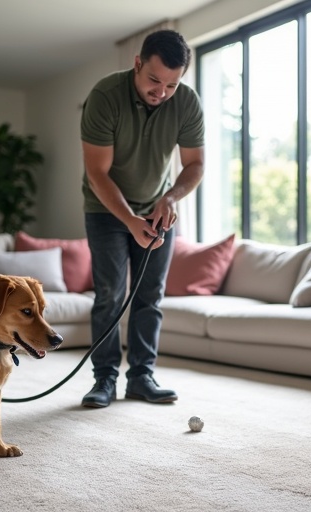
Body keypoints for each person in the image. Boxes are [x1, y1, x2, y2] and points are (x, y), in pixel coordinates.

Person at [79, 29, 205, 408]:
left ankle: (141, 377)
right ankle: (104, 379)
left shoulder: (186, 101)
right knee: (111, 294)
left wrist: (171, 197)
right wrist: (130, 220)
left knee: (150, 294)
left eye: (171, 83)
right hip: (106, 208)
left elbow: (195, 165)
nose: (161, 91)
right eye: (153, 80)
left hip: (157, 207)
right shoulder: (105, 96)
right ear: (137, 63)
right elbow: (97, 174)